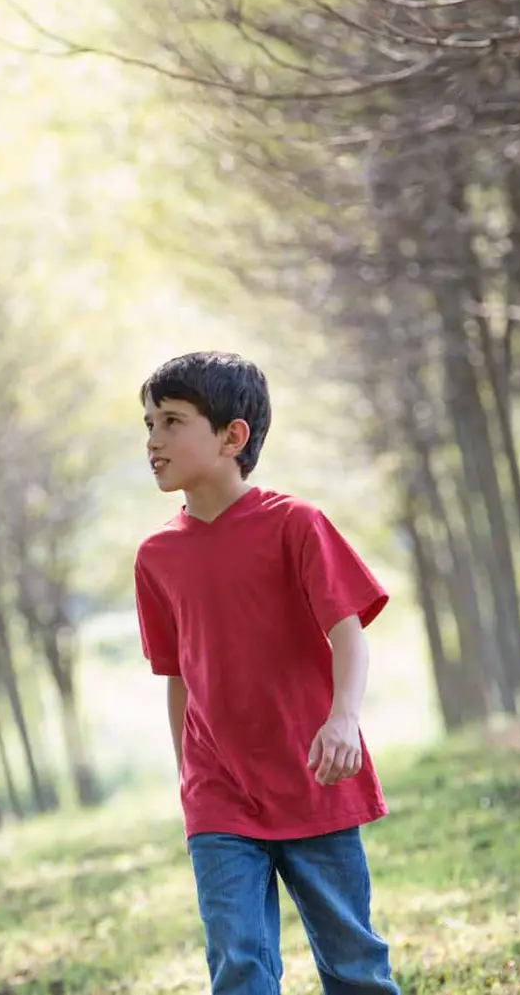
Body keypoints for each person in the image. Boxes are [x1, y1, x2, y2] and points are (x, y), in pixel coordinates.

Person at [134, 351, 400, 995]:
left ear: (233, 436)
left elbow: (349, 636)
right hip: (219, 794)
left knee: (353, 965)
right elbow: (178, 677)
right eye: (147, 424)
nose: (154, 441)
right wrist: (187, 778)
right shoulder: (156, 557)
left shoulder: (295, 525)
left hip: (315, 776)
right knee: (239, 966)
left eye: (172, 421)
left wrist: (343, 721)